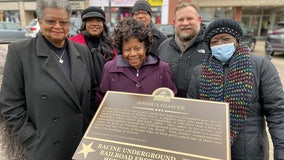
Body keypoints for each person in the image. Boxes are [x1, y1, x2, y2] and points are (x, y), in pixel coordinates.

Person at [0, 0, 97, 159]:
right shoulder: (20, 52)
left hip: (82, 146)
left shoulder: (83, 51)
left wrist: (88, 127)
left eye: (63, 22)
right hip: (45, 148)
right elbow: (10, 104)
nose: (58, 26)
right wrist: (30, 138)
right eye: (51, 21)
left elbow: (92, 92)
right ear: (39, 21)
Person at [187, 18, 284, 160]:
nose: (220, 44)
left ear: (237, 40)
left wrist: (281, 152)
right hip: (211, 149)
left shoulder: (261, 66)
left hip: (250, 151)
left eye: (226, 39)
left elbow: (277, 113)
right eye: (214, 41)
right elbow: (193, 114)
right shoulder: (200, 71)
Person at [96, 18, 177, 105]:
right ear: (121, 50)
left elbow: (171, 101)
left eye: (137, 48)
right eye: (127, 50)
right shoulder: (109, 68)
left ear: (146, 47)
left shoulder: (162, 69)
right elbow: (102, 101)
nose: (133, 54)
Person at [157, 2, 210, 97]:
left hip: (199, 108)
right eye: (180, 19)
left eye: (190, 18)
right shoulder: (164, 46)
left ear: (199, 20)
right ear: (174, 23)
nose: (185, 23)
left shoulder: (210, 46)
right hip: (169, 107)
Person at [70, 6, 115, 84]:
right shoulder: (72, 43)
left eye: (98, 20)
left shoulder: (112, 44)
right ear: (84, 24)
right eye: (90, 20)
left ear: (103, 24)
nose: (94, 24)